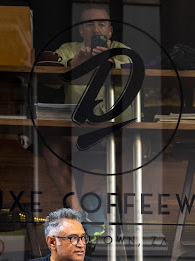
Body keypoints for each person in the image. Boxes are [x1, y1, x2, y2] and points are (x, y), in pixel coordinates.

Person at [42, 4, 135, 214]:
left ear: (110, 31)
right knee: (52, 146)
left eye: (101, 24)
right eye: (89, 24)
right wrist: (74, 64)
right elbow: (49, 81)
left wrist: (110, 66)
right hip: (77, 130)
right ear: (81, 30)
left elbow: (135, 77)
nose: (96, 29)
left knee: (138, 142)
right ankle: (76, 212)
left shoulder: (123, 51)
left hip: (115, 131)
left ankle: (122, 216)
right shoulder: (68, 50)